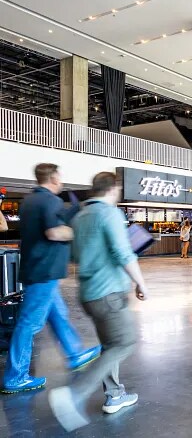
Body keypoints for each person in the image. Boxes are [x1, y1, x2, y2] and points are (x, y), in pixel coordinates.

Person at [48, 172, 149, 431]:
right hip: (110, 293)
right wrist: (141, 282)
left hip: (88, 293)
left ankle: (114, 394)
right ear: (113, 189)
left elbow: (76, 254)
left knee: (110, 344)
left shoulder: (81, 217)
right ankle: (75, 394)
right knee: (125, 341)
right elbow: (122, 252)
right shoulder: (110, 214)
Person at [3, 163, 100, 394]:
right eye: (60, 176)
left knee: (58, 314)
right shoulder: (50, 201)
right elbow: (54, 232)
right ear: (54, 178)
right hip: (44, 271)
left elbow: (43, 228)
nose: (62, 181)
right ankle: (15, 377)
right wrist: (77, 230)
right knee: (28, 323)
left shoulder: (29, 201)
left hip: (39, 269)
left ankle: (75, 353)